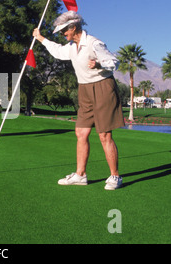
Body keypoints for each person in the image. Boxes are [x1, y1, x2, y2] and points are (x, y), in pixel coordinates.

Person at [32, 11, 125, 190]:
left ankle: (115, 176)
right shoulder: (72, 46)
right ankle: (80, 175)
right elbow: (58, 51)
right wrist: (40, 38)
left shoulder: (94, 43)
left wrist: (99, 64)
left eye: (64, 30)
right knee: (81, 133)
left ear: (73, 28)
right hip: (84, 89)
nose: (62, 34)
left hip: (103, 87)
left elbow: (114, 62)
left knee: (104, 135)